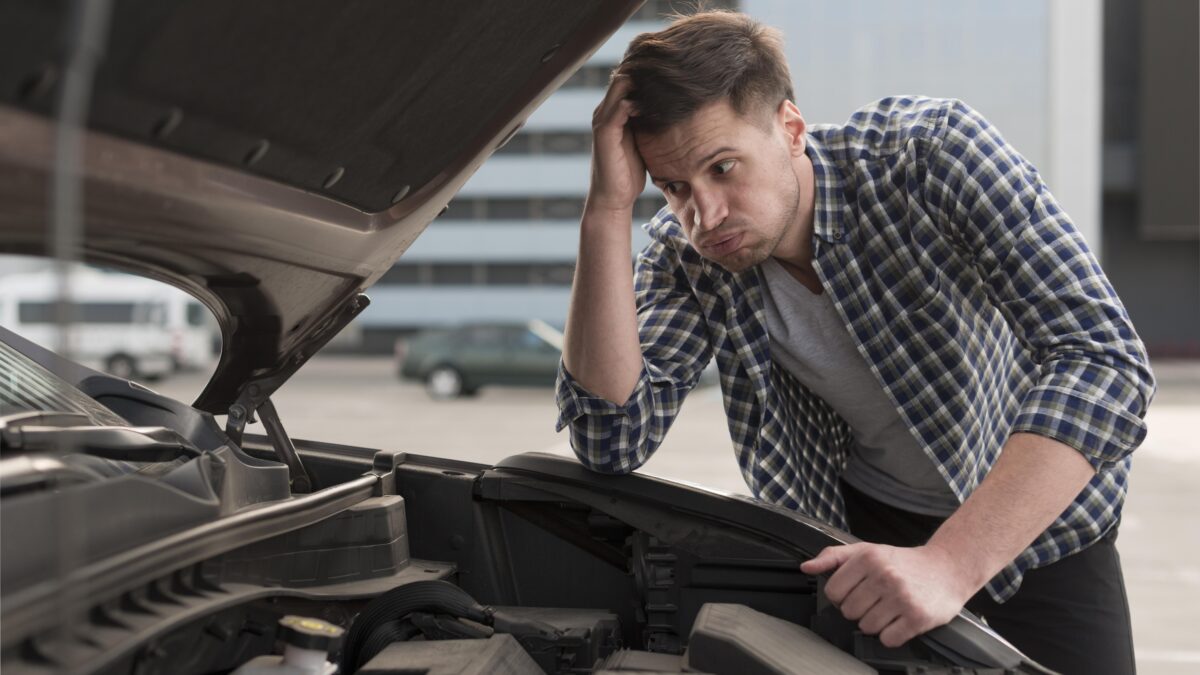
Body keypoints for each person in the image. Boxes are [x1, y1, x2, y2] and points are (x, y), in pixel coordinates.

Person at [553, 10, 1154, 675]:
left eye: (723, 168)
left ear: (790, 129)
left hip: (1037, 526)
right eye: (674, 188)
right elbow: (611, 437)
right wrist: (608, 209)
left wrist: (950, 563)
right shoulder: (687, 256)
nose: (706, 216)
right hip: (865, 534)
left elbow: (1104, 361)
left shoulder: (932, 154)